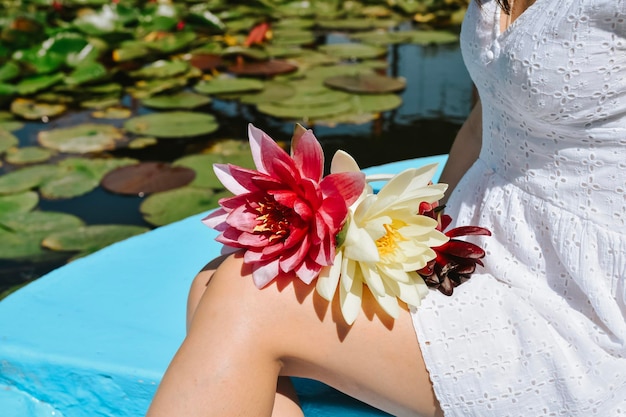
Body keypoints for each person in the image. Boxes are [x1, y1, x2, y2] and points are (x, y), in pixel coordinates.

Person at [146, 0, 626, 415]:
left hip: (577, 299)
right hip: (477, 247)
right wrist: (422, 236)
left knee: (245, 292)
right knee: (213, 283)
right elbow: (483, 125)